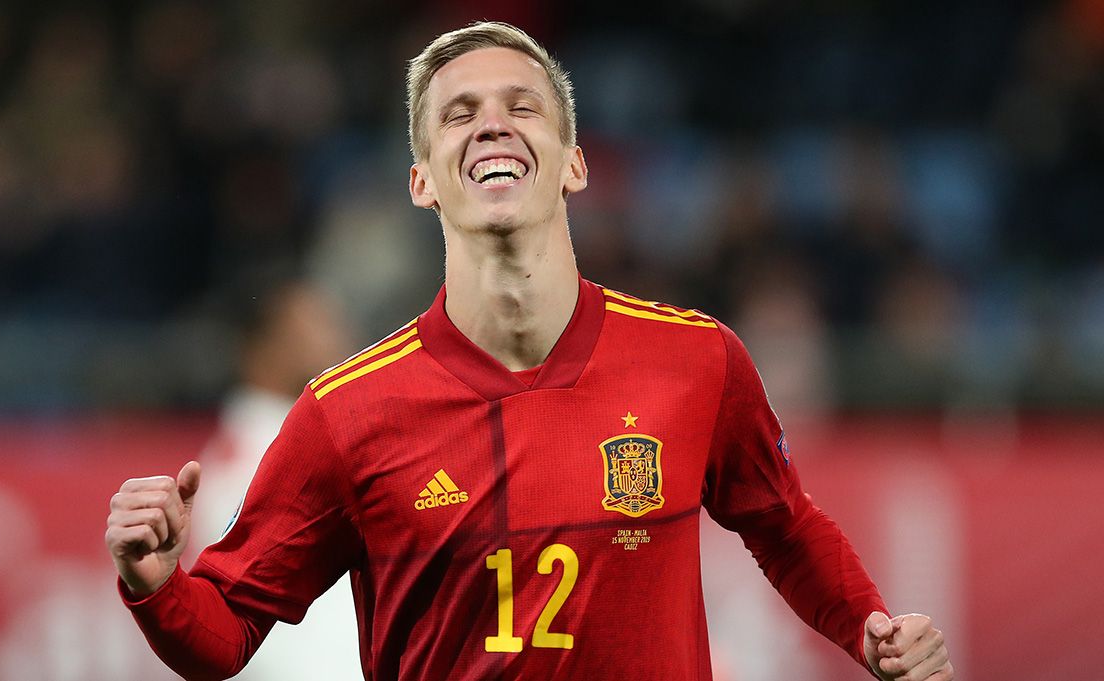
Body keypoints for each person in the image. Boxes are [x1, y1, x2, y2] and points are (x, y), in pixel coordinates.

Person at [105, 22, 954, 681]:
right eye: (458, 113)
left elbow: (785, 525)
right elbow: (221, 634)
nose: (492, 126)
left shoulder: (697, 360)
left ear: (574, 164)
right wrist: (155, 583)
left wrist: (870, 631)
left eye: (522, 106)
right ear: (422, 180)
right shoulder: (346, 412)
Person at [188, 277, 360, 680]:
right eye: (314, 328)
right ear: (262, 350)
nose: (338, 339)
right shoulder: (248, 464)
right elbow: (246, 617)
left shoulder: (318, 438)